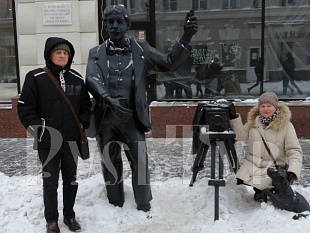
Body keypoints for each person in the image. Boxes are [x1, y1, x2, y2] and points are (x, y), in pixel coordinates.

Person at [86, 4, 197, 212]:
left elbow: (169, 63)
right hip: (106, 116)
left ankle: (143, 202)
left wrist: (186, 37)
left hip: (131, 116)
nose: (115, 26)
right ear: (104, 25)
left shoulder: (141, 49)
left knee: (140, 161)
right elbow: (91, 79)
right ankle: (115, 201)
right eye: (110, 22)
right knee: (110, 162)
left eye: (119, 21)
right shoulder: (96, 53)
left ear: (128, 24)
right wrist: (108, 99)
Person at [18, 37, 92, 233]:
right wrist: (38, 129)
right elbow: (25, 108)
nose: (62, 55)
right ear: (49, 55)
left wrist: (84, 123)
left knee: (71, 180)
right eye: (58, 52)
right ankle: (51, 220)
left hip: (71, 140)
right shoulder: (35, 78)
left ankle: (69, 216)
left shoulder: (76, 78)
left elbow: (86, 106)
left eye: (65, 53)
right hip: (48, 141)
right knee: (50, 182)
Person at [228, 92, 302, 202]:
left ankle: (267, 191)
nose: (265, 109)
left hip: (273, 166)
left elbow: (294, 150)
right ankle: (260, 191)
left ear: (275, 107)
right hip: (253, 164)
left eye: (269, 106)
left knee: (265, 182)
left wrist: (293, 170)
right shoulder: (253, 122)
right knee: (248, 180)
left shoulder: (286, 126)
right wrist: (235, 119)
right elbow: (241, 136)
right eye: (262, 106)